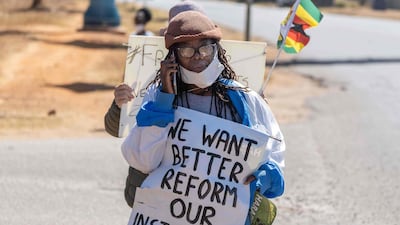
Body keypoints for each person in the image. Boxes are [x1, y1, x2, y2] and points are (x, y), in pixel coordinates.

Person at [121, 11, 285, 225]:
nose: (198, 55)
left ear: (216, 50)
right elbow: (143, 161)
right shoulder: (157, 97)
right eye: (187, 50)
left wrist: (268, 173)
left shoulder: (245, 99)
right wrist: (164, 101)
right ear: (173, 57)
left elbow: (273, 154)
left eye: (205, 47)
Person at [104, 1, 207, 209]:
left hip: (198, 196)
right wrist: (119, 105)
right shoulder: (146, 68)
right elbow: (117, 128)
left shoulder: (220, 77)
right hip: (149, 189)